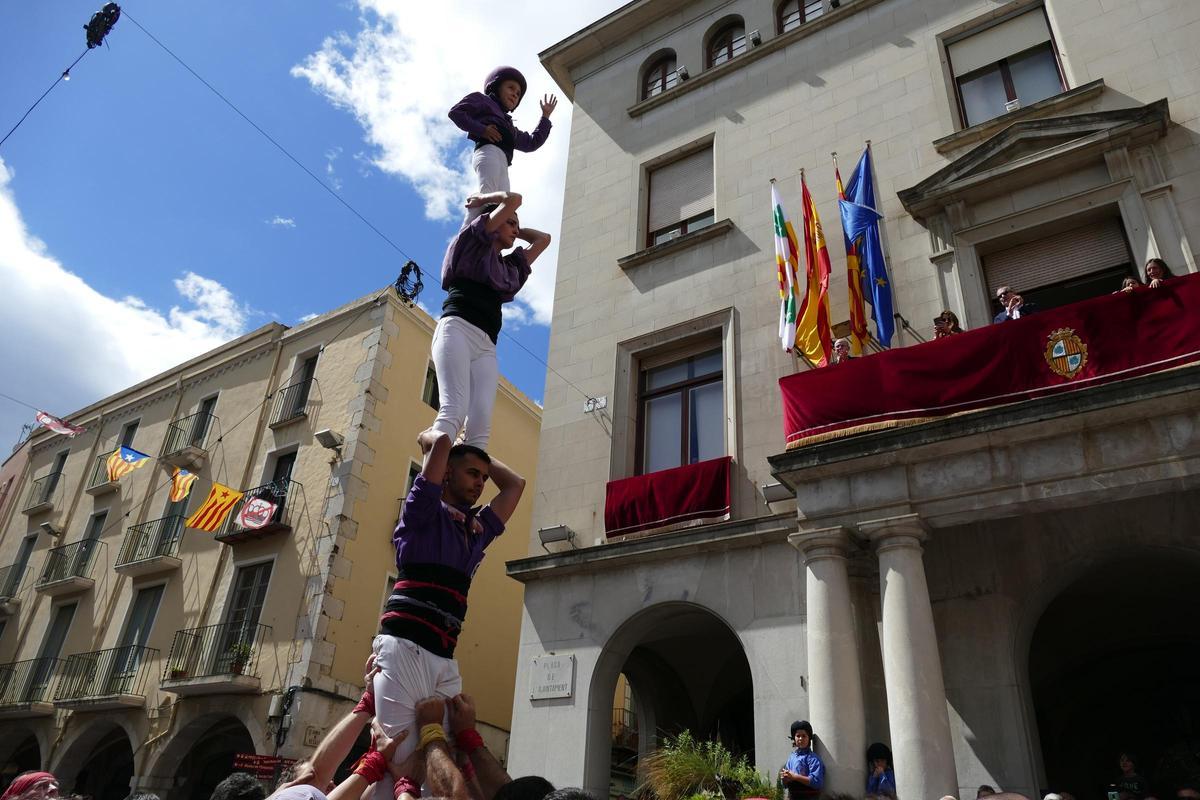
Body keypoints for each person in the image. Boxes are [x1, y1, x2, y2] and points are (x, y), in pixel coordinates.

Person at [373, 429, 526, 781]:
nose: (481, 484)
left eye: (484, 478)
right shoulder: (422, 511)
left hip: (444, 657)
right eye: (473, 474)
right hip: (405, 647)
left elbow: (515, 485)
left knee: (448, 766)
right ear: (445, 474)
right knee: (401, 762)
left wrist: (478, 454)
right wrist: (448, 440)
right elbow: (437, 442)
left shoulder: (476, 529)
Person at [433, 190, 550, 449]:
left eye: (517, 225)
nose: (515, 229)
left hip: (486, 345)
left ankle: (461, 478)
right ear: (493, 220)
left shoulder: (508, 269)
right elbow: (514, 199)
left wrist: (513, 228)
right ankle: (431, 474)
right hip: (458, 329)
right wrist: (484, 202)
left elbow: (543, 239)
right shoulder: (471, 243)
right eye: (510, 222)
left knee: (481, 424)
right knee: (454, 408)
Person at [449, 67, 557, 219]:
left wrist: (545, 117)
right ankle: (469, 233)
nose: (515, 94)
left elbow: (531, 143)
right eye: (511, 88)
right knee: (488, 196)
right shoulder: (483, 100)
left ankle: (494, 237)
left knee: (503, 206)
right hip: (488, 152)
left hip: (503, 162)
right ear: (496, 86)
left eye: (518, 94)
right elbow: (456, 113)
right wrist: (482, 129)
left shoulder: (510, 128)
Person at [779, 720, 824, 799]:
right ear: (794, 738)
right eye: (798, 736)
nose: (800, 738)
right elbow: (785, 784)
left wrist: (795, 777)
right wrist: (785, 779)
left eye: (804, 736)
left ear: (809, 738)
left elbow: (817, 782)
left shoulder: (814, 759)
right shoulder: (792, 757)